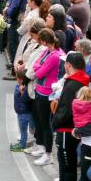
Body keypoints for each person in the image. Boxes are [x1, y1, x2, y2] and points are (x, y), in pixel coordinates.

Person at [49, 52, 90, 181]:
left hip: (67, 129)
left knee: (67, 163)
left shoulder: (73, 84)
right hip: (68, 128)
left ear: (69, 65)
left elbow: (66, 110)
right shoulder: (79, 81)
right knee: (64, 161)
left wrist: (55, 122)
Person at [30, 29, 64, 166]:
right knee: (39, 121)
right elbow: (36, 64)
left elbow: (39, 73)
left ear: (44, 41)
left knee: (45, 124)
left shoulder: (55, 55)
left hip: (47, 93)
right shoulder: (48, 51)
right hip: (40, 90)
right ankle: (42, 146)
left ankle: (48, 153)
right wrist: (39, 67)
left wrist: (39, 67)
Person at [10, 67, 33, 152]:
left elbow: (25, 99)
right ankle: (23, 143)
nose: (16, 80)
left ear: (21, 79)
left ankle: (22, 145)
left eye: (17, 78)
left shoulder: (25, 88)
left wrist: (21, 92)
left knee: (23, 130)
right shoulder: (20, 86)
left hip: (24, 112)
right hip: (21, 112)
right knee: (23, 129)